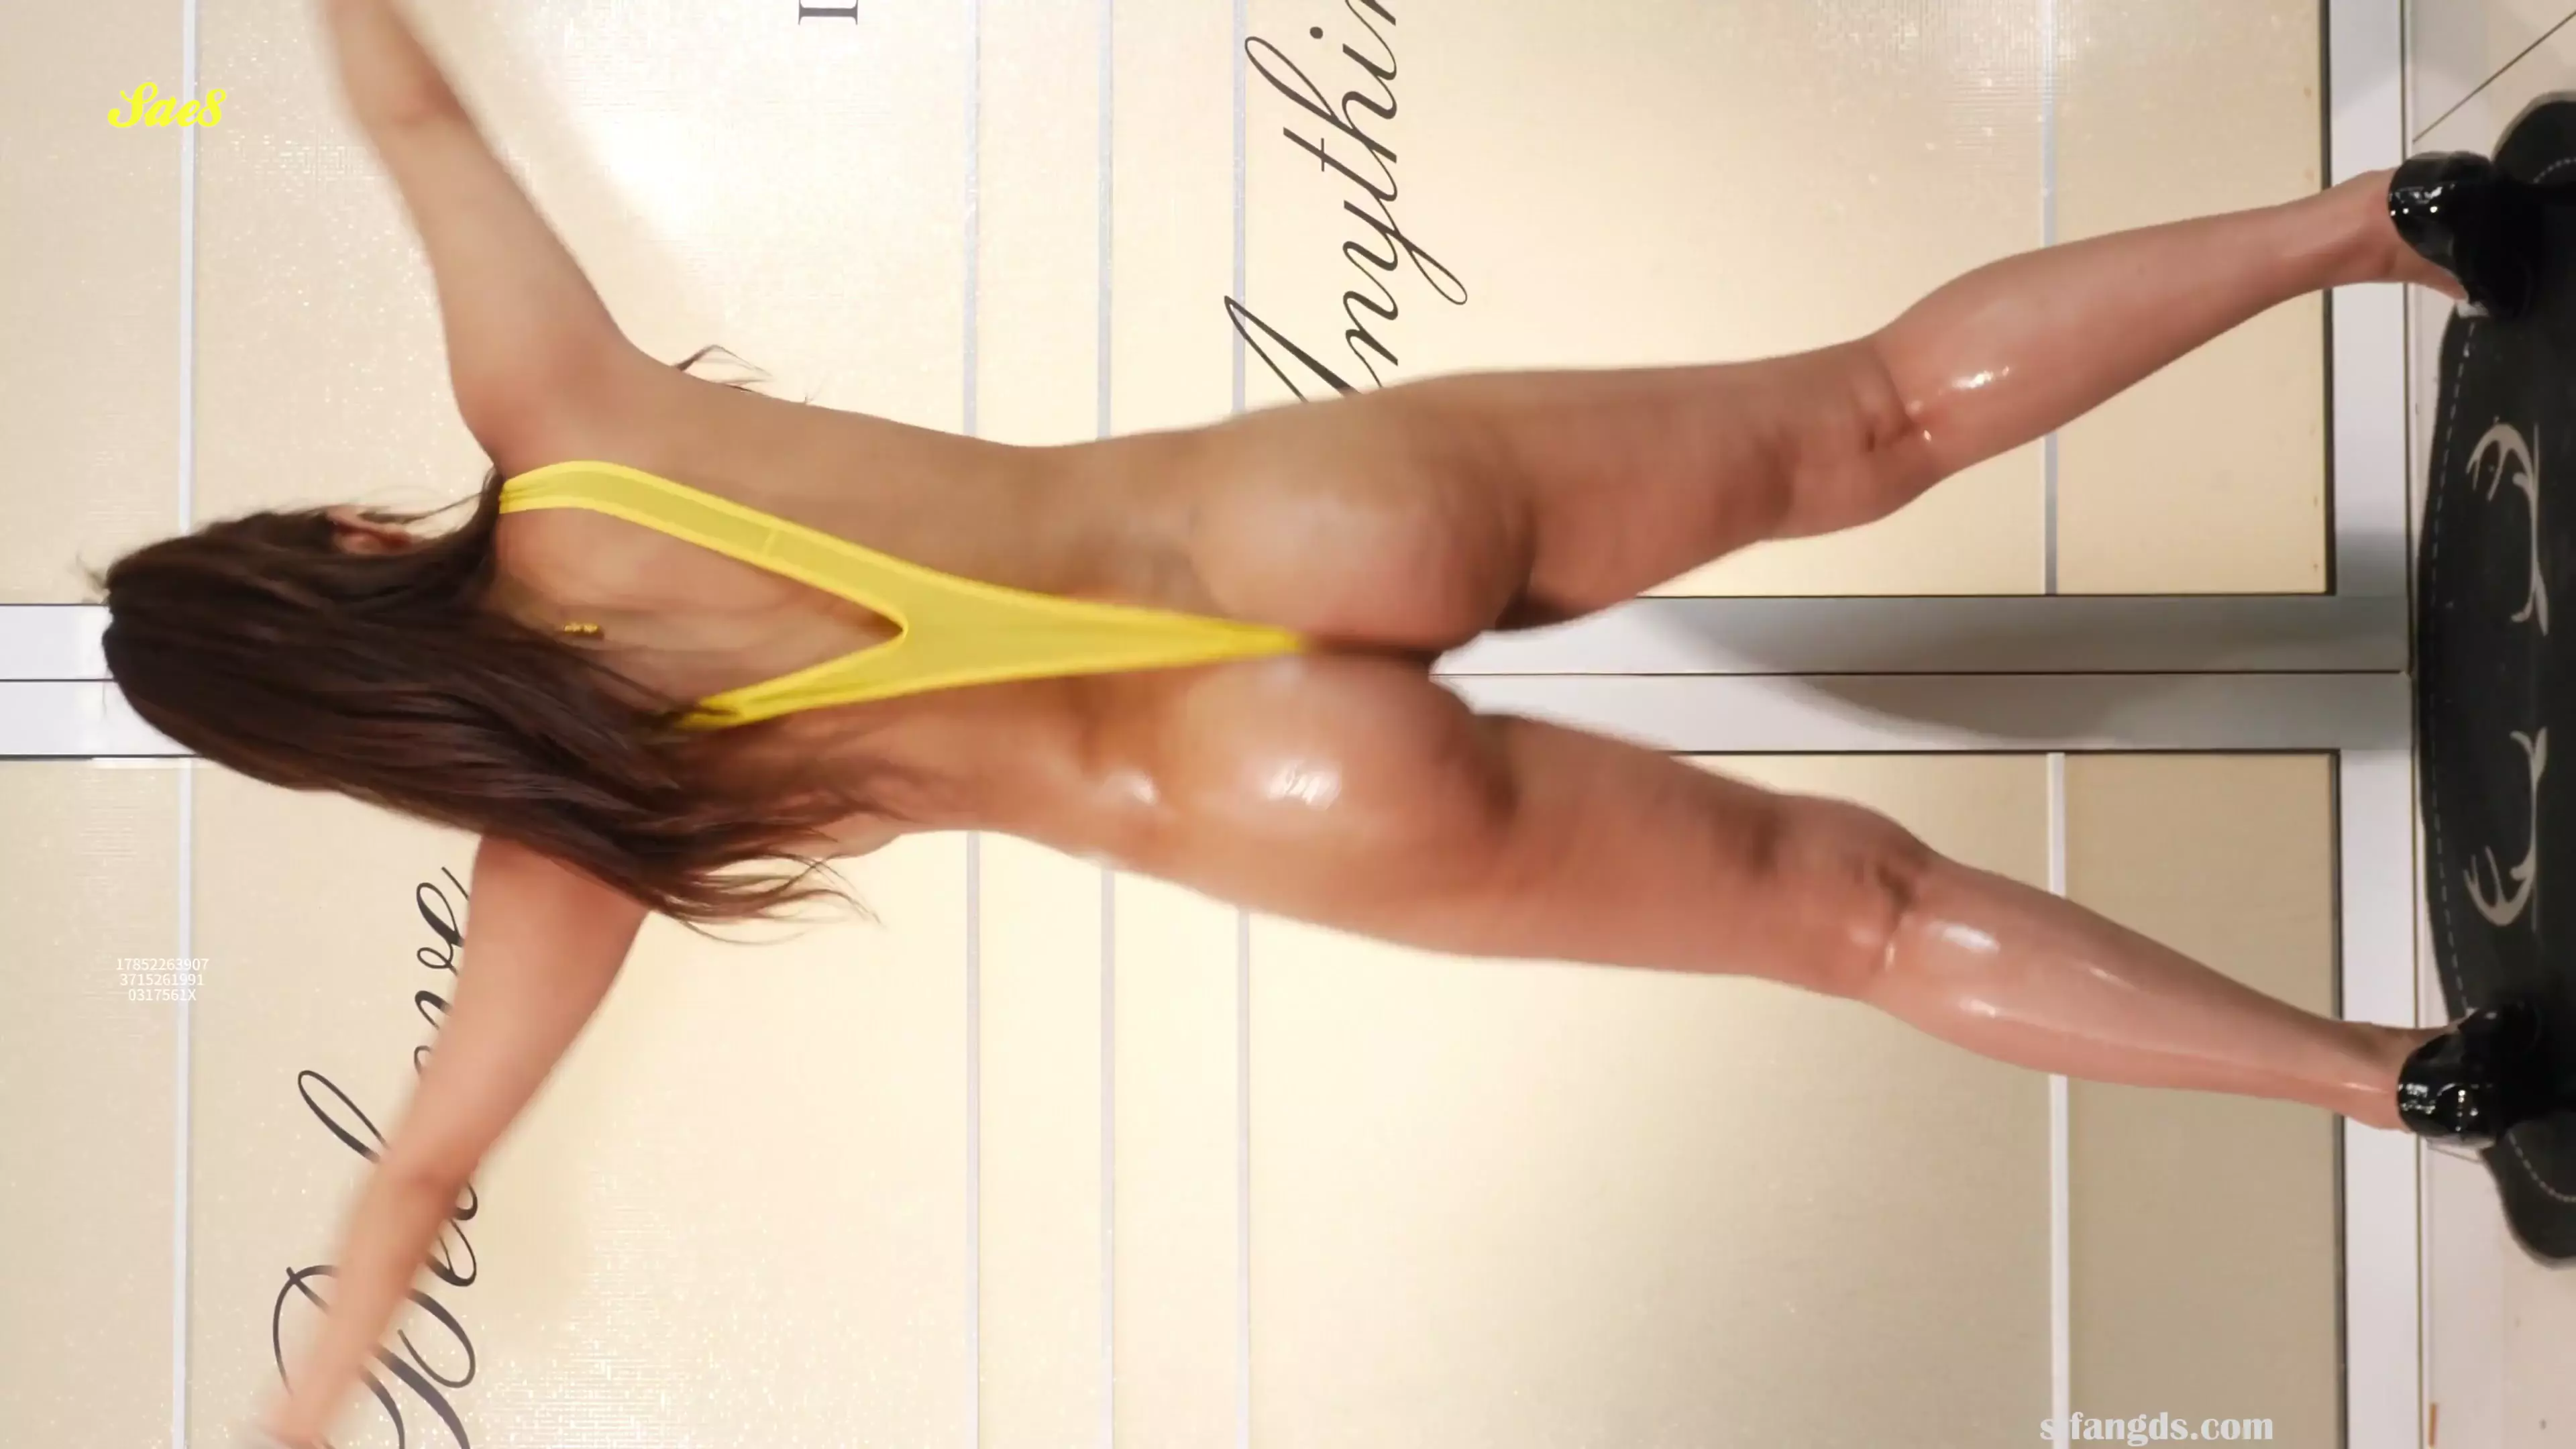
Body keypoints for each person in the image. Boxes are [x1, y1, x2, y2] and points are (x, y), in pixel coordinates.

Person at [115, 3, 2558, 1443]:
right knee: (1872, 416)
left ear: (337, 741)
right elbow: (414, 113)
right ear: (334, 545)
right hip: (1285, 524)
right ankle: (2387, 224)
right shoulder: (559, 428)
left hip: (1260, 795)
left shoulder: (575, 836)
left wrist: (296, 1415)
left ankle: (2402, 1086)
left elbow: (417, 1183)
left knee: (1866, 921)